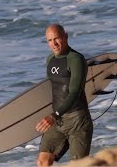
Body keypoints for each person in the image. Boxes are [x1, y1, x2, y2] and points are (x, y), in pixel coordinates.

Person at [35, 24, 93, 166]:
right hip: (59, 120)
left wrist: (53, 116)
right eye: (49, 40)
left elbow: (74, 93)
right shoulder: (50, 59)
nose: (53, 43)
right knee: (43, 161)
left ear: (65, 37)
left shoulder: (76, 59)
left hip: (77, 120)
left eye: (57, 38)